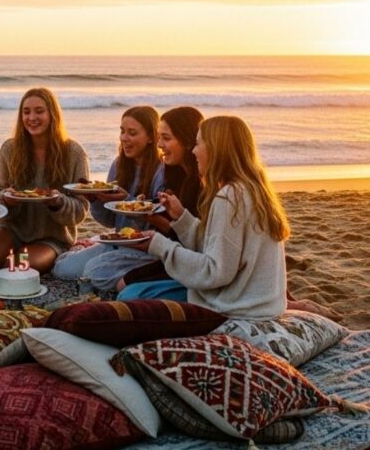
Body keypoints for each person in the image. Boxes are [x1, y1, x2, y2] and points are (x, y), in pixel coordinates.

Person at [117, 115, 289, 319]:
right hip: (261, 302)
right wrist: (182, 218)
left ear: (216, 149)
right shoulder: (253, 189)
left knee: (130, 295)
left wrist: (159, 245)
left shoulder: (229, 197)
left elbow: (215, 272)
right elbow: (221, 249)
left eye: (198, 144)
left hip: (239, 306)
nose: (194, 151)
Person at [53, 105, 165, 291]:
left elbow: (154, 224)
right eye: (122, 131)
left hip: (145, 249)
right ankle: (93, 251)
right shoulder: (119, 164)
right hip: (117, 242)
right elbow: (108, 221)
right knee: (61, 269)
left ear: (151, 137)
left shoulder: (161, 171)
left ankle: (143, 273)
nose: (124, 138)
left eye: (132, 133)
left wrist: (128, 200)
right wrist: (95, 199)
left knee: (92, 274)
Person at [0, 87, 90, 273]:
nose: (31, 118)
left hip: (52, 236)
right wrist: (6, 199)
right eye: (26, 111)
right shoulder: (9, 149)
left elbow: (80, 211)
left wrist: (58, 202)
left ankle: (18, 255)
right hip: (10, 228)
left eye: (39, 111)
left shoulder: (74, 152)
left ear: (52, 114)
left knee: (14, 267)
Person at [117, 104, 204, 291]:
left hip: (190, 260)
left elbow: (198, 246)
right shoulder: (174, 175)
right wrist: (147, 213)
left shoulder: (206, 185)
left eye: (166, 138)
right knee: (121, 284)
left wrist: (159, 223)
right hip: (171, 253)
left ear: (188, 141)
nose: (159, 145)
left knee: (125, 289)